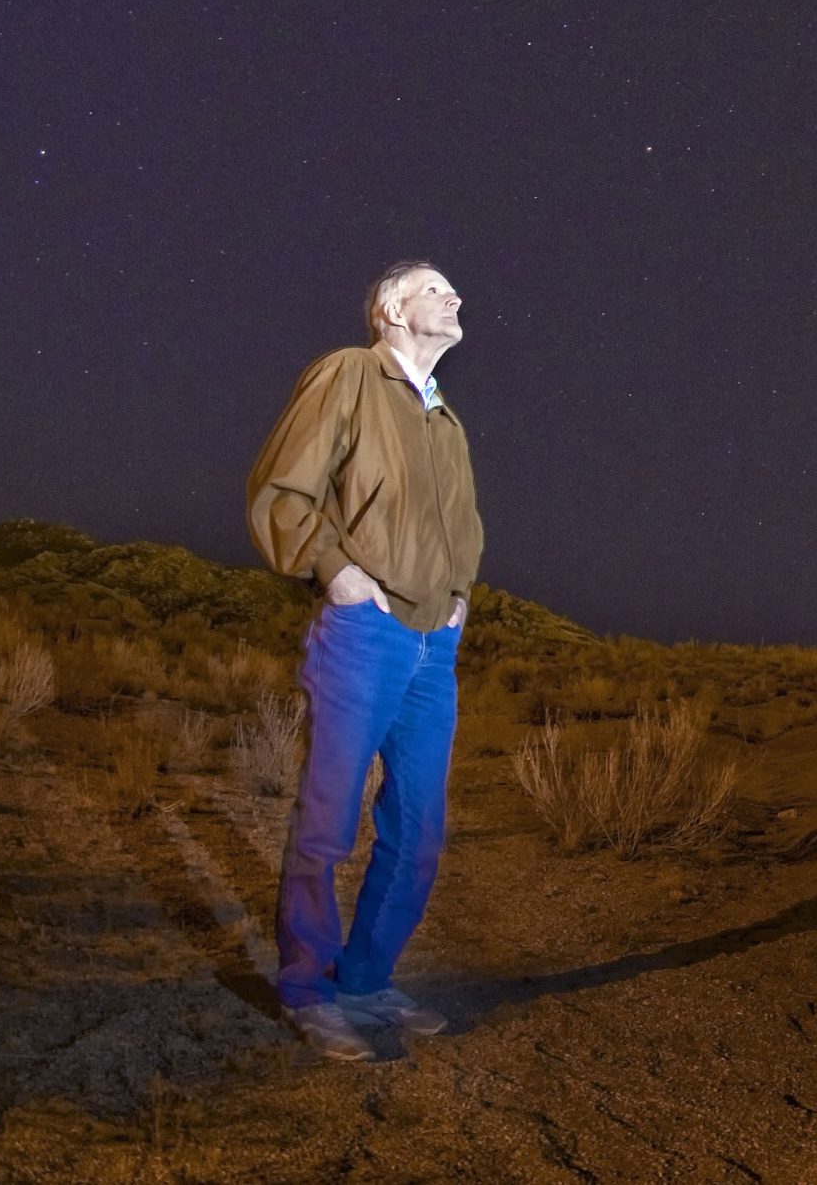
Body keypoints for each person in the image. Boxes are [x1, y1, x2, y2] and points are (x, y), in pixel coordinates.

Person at [245, 260, 484, 1061]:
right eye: (434, 289)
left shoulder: (446, 418)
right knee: (329, 819)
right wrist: (335, 571)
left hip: (434, 641)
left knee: (417, 830)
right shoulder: (349, 373)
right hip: (366, 632)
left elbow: (459, 527)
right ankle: (307, 987)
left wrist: (458, 596)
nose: (454, 298)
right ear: (389, 310)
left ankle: (368, 981)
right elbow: (284, 489)